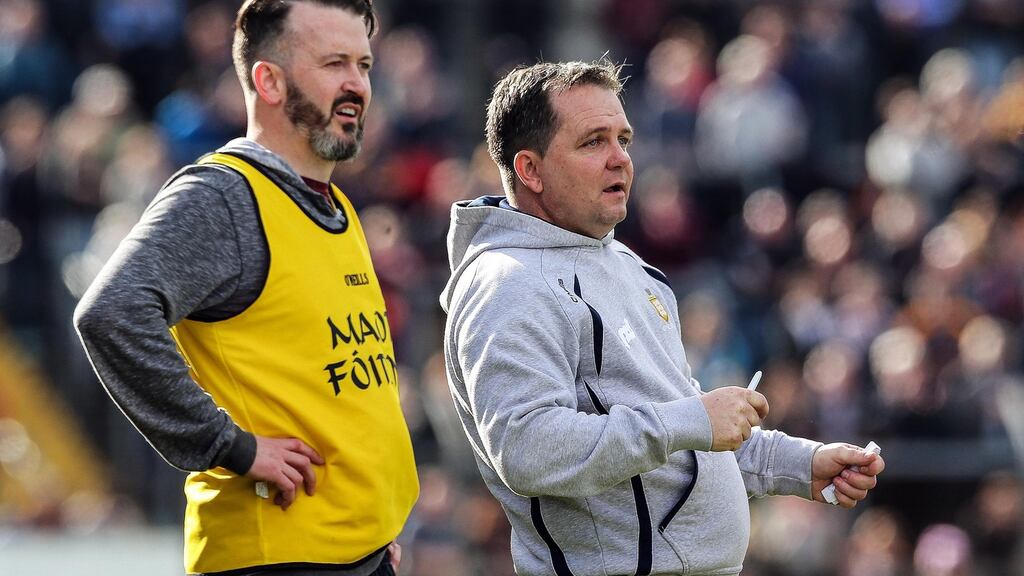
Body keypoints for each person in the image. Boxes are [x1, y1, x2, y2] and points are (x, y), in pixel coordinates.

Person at [439, 59, 885, 576]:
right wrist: (691, 419)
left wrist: (797, 464)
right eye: (593, 142)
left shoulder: (629, 265)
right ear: (530, 170)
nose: (621, 160)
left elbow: (682, 439)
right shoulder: (508, 282)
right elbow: (528, 449)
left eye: (623, 140)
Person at [73, 1, 418, 575]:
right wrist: (228, 445)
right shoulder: (224, 196)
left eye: (363, 65)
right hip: (277, 556)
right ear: (269, 81)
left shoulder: (335, 203)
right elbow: (111, 313)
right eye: (334, 63)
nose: (357, 85)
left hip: (353, 553)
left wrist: (372, 529)